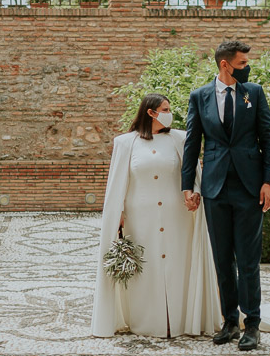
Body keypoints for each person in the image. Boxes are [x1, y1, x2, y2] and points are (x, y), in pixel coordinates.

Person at [91, 93, 222, 338]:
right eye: (165, 108)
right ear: (151, 112)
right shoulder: (125, 143)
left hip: (177, 216)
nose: (169, 113)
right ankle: (146, 322)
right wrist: (117, 212)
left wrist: (194, 193)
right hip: (139, 218)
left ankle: (180, 320)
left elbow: (192, 175)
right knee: (146, 268)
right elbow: (118, 182)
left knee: (177, 265)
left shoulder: (181, 139)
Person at [181, 40, 270, 352]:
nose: (247, 67)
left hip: (250, 189)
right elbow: (192, 143)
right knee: (223, 259)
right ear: (225, 65)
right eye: (241, 63)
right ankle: (230, 321)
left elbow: (268, 138)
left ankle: (253, 324)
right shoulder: (200, 97)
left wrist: (269, 181)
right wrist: (188, 186)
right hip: (214, 189)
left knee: (248, 260)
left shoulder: (254, 93)